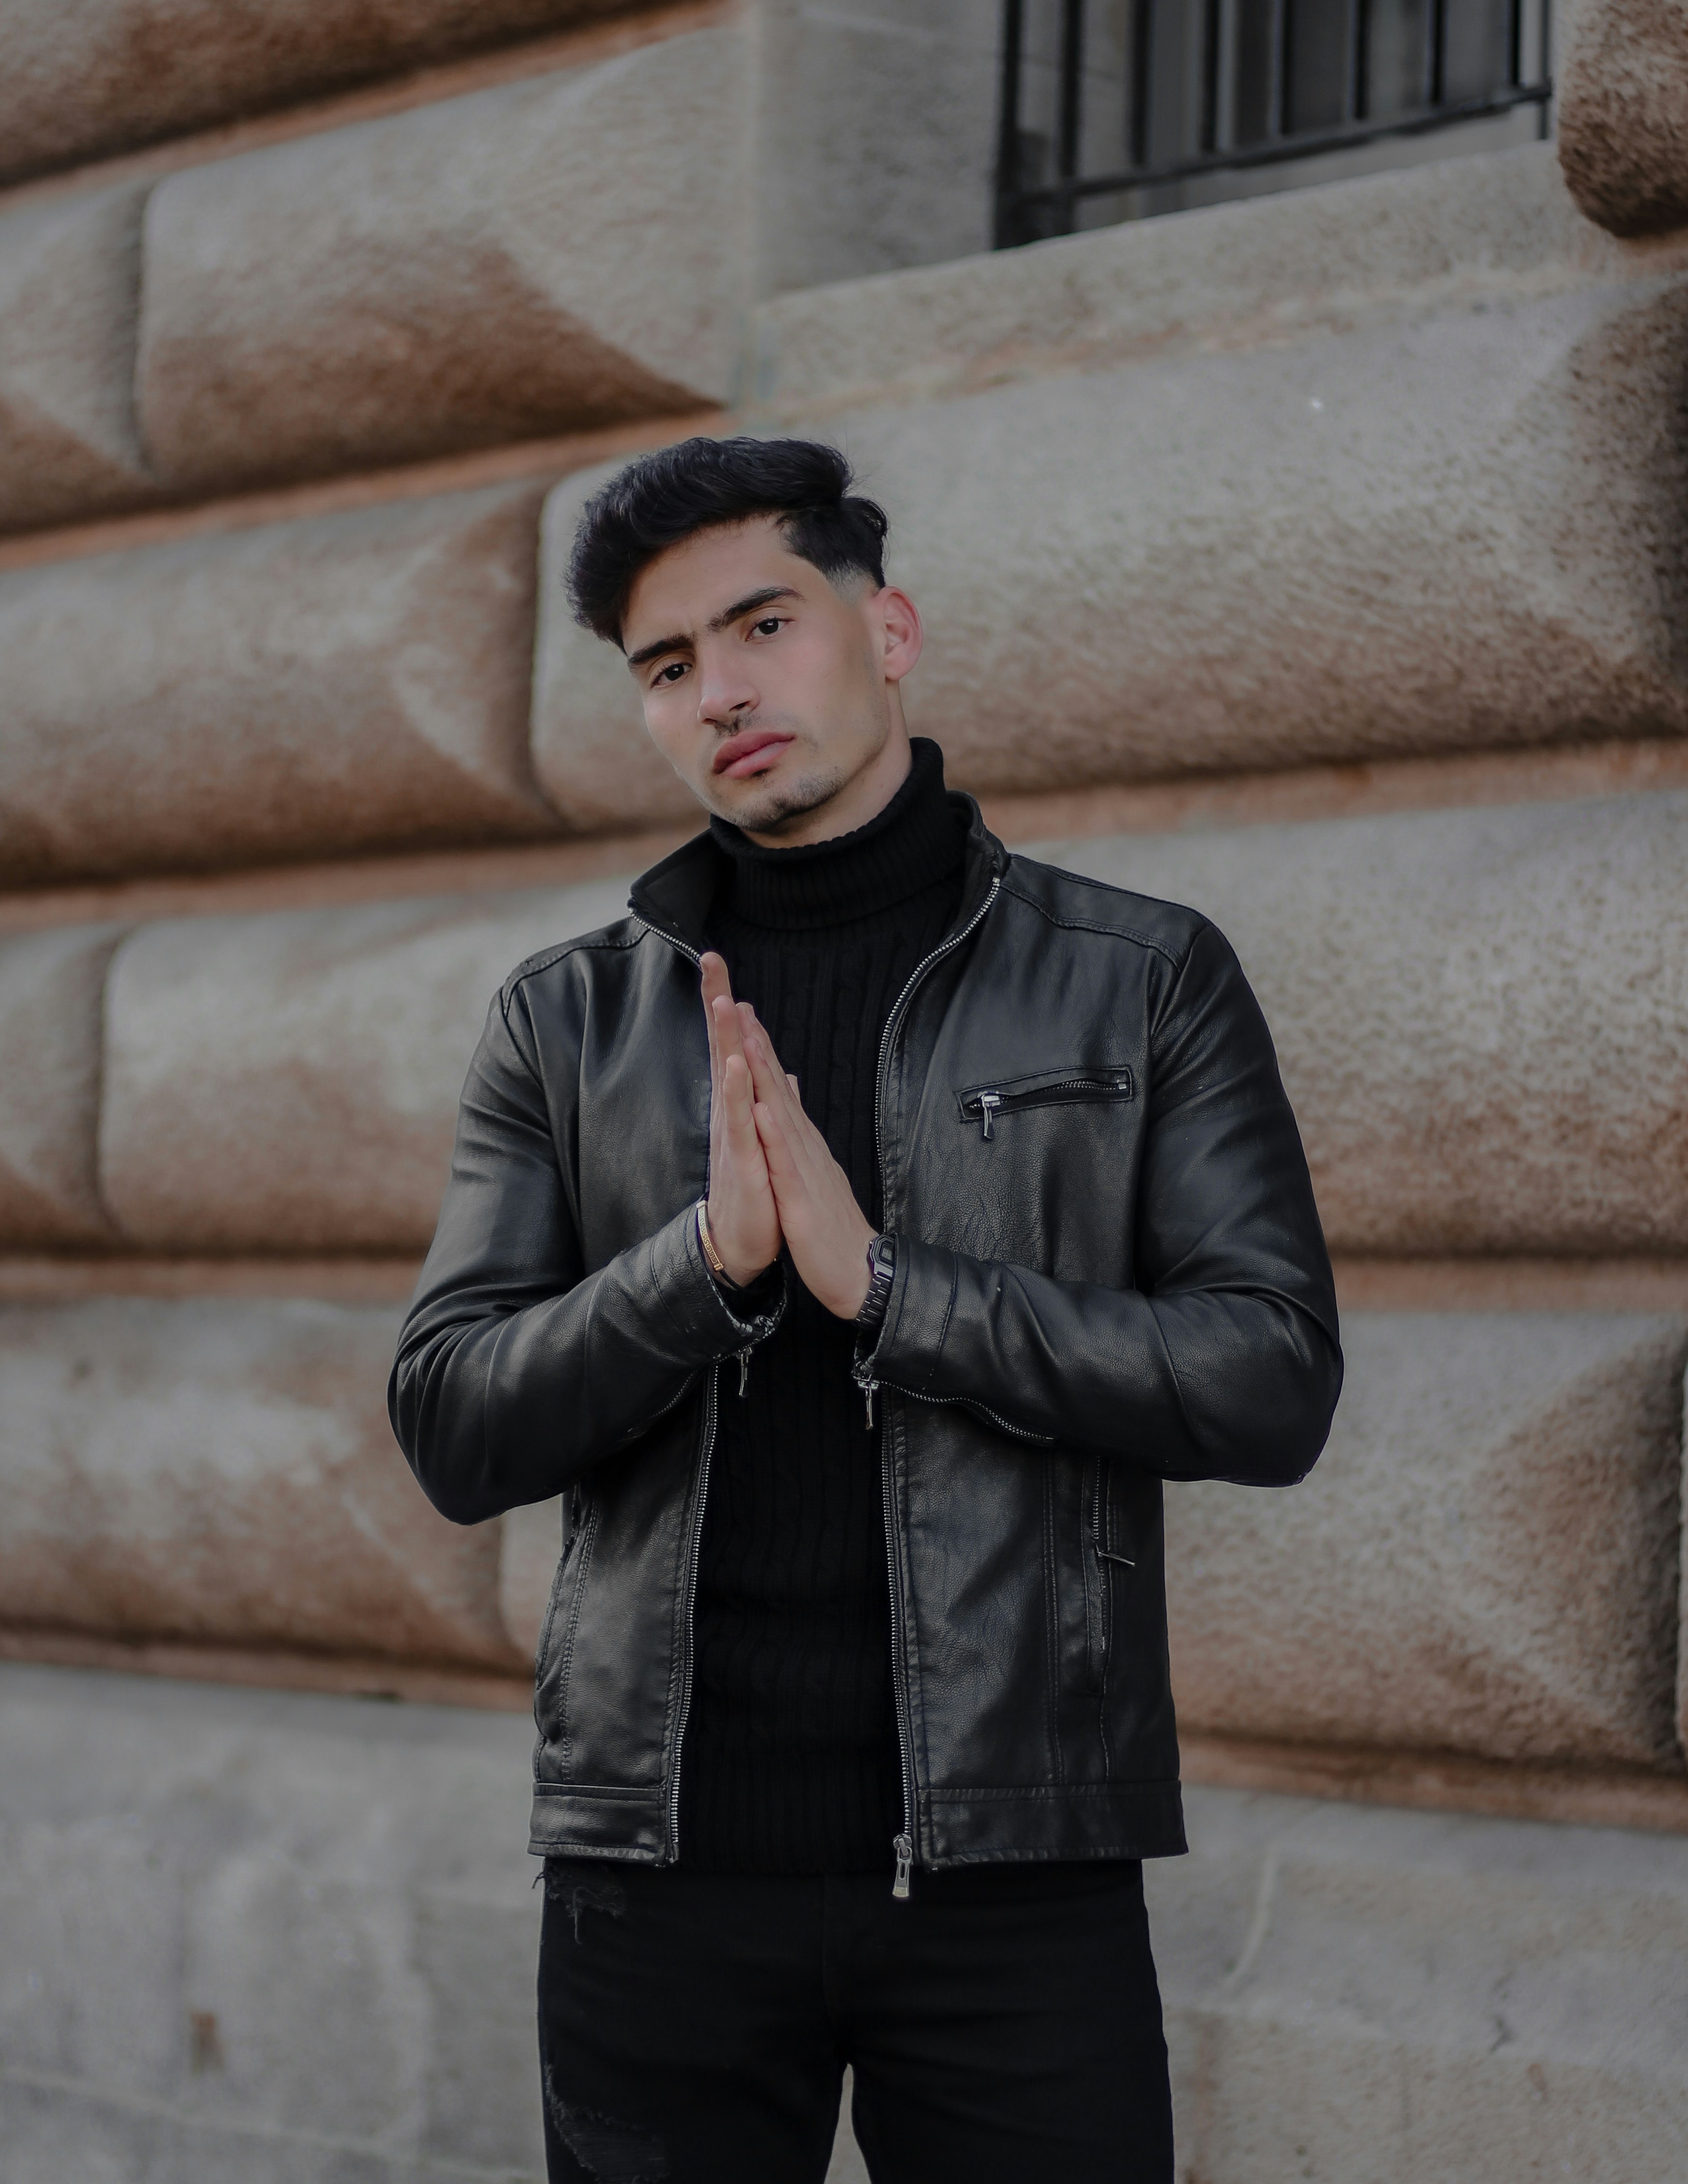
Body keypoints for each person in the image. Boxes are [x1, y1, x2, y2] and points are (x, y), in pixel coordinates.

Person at [389, 436, 1342, 2183]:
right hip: (653, 1881)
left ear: (885, 628)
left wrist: (890, 1286)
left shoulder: (1142, 978)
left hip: (1014, 1881)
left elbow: (1270, 1376)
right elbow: (451, 1420)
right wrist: (706, 1269)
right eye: (668, 665)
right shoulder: (565, 1023)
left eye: (764, 623)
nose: (720, 689)